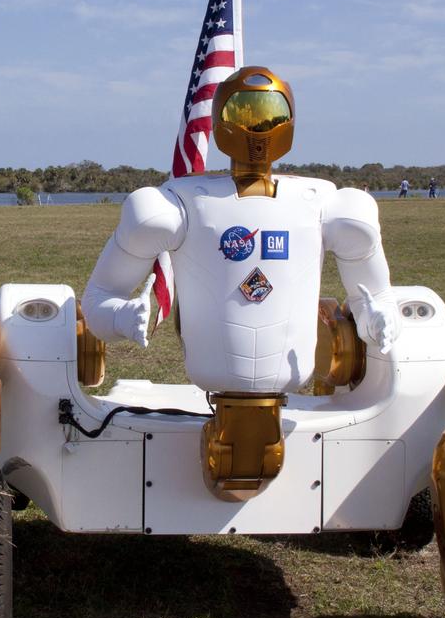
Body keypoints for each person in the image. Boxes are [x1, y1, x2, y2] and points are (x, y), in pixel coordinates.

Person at [82, 67, 399, 495]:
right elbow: (100, 300)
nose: (257, 128)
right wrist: (124, 317)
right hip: (221, 368)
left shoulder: (327, 205)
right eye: (247, 113)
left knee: (356, 219)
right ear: (220, 121)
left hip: (281, 371)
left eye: (267, 114)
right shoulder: (175, 205)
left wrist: (375, 316)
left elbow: (373, 295)